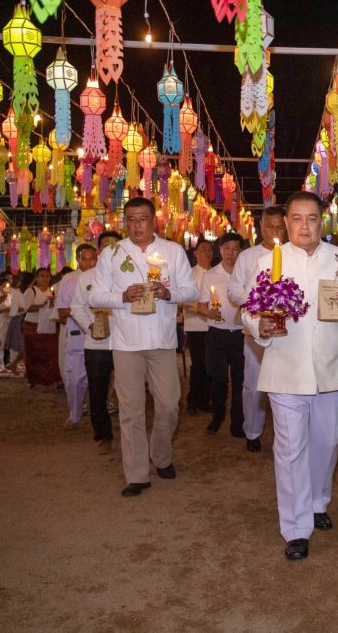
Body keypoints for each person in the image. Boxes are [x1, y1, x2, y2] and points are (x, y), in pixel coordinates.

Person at [243, 192, 338, 560]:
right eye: (297, 218)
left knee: (328, 441)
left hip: (330, 367)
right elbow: (249, 310)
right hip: (285, 368)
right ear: (286, 223)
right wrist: (259, 325)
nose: (304, 226)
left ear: (321, 222)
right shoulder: (268, 261)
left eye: (312, 218)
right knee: (290, 450)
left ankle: (318, 501)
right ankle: (296, 528)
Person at [90, 197, 198, 497]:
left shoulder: (173, 251)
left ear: (154, 220)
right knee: (131, 410)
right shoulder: (112, 253)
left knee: (169, 404)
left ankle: (161, 455)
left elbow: (191, 290)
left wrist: (167, 293)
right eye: (131, 219)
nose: (137, 225)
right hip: (126, 341)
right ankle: (137, 474)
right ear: (125, 222)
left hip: (162, 340)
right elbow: (95, 296)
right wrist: (122, 296)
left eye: (143, 219)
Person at [229, 205, 287, 453]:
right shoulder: (247, 257)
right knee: (253, 383)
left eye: (279, 227)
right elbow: (234, 291)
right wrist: (258, 301)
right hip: (255, 329)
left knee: (285, 384)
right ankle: (252, 431)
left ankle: (286, 434)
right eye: (269, 226)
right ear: (261, 226)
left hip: (287, 331)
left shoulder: (294, 254)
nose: (275, 232)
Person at [71, 231, 122, 454]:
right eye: (106, 245)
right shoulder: (87, 278)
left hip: (124, 343)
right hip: (96, 344)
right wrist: (90, 326)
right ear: (100, 249)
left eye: (115, 245)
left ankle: (132, 435)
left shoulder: (128, 275)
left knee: (129, 391)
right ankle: (103, 435)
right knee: (97, 392)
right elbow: (76, 308)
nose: (111, 249)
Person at [200, 233, 246, 438]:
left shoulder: (246, 274)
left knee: (240, 380)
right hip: (217, 334)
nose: (230, 253)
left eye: (235, 249)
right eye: (227, 248)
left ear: (241, 251)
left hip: (240, 334)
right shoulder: (210, 275)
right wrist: (208, 312)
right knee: (218, 378)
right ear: (220, 249)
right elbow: (201, 305)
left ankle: (238, 423)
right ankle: (217, 417)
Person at [56, 245, 98, 430]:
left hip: (101, 337)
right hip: (77, 335)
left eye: (92, 259)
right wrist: (80, 310)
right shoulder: (69, 282)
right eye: (84, 259)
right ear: (78, 260)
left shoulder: (104, 278)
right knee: (75, 380)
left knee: (100, 379)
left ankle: (99, 415)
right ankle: (74, 414)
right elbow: (61, 313)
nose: (89, 263)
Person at [183, 239, 214, 415]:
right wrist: (203, 309)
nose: (207, 253)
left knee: (210, 364)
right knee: (198, 364)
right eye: (203, 250)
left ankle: (205, 399)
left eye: (210, 250)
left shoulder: (217, 273)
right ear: (195, 253)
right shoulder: (189, 274)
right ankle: (193, 399)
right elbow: (184, 301)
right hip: (196, 325)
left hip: (214, 326)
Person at [22, 267, 60, 389]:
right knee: (33, 354)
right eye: (42, 276)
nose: (45, 279)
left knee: (49, 353)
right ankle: (33, 379)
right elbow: (27, 308)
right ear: (37, 278)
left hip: (48, 326)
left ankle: (50, 378)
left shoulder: (52, 292)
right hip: (32, 325)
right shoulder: (31, 291)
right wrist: (43, 305)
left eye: (47, 276)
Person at [2, 272, 31, 375]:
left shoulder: (28, 291)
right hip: (19, 320)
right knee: (24, 346)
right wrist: (28, 308)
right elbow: (15, 309)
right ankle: (20, 366)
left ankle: (15, 364)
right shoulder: (17, 292)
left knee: (26, 346)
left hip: (25, 318)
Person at [0, 272, 14, 372]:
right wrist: (6, 310)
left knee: (10, 344)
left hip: (9, 321)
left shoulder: (9, 295)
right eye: (4, 286)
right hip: (0, 321)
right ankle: (0, 366)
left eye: (7, 286)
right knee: (0, 344)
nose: (6, 288)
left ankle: (12, 363)